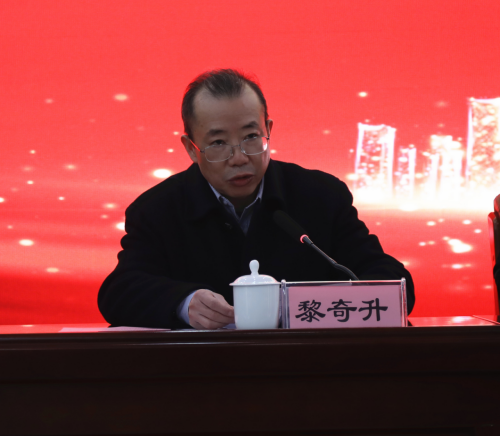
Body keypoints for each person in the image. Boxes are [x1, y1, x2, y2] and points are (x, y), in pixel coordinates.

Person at [98, 69, 415, 329]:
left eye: (251, 137)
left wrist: (313, 306)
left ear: (268, 130)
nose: (239, 158)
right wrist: (183, 303)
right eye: (218, 143)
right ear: (191, 149)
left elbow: (394, 282)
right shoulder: (157, 209)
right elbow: (119, 291)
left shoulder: (321, 195)